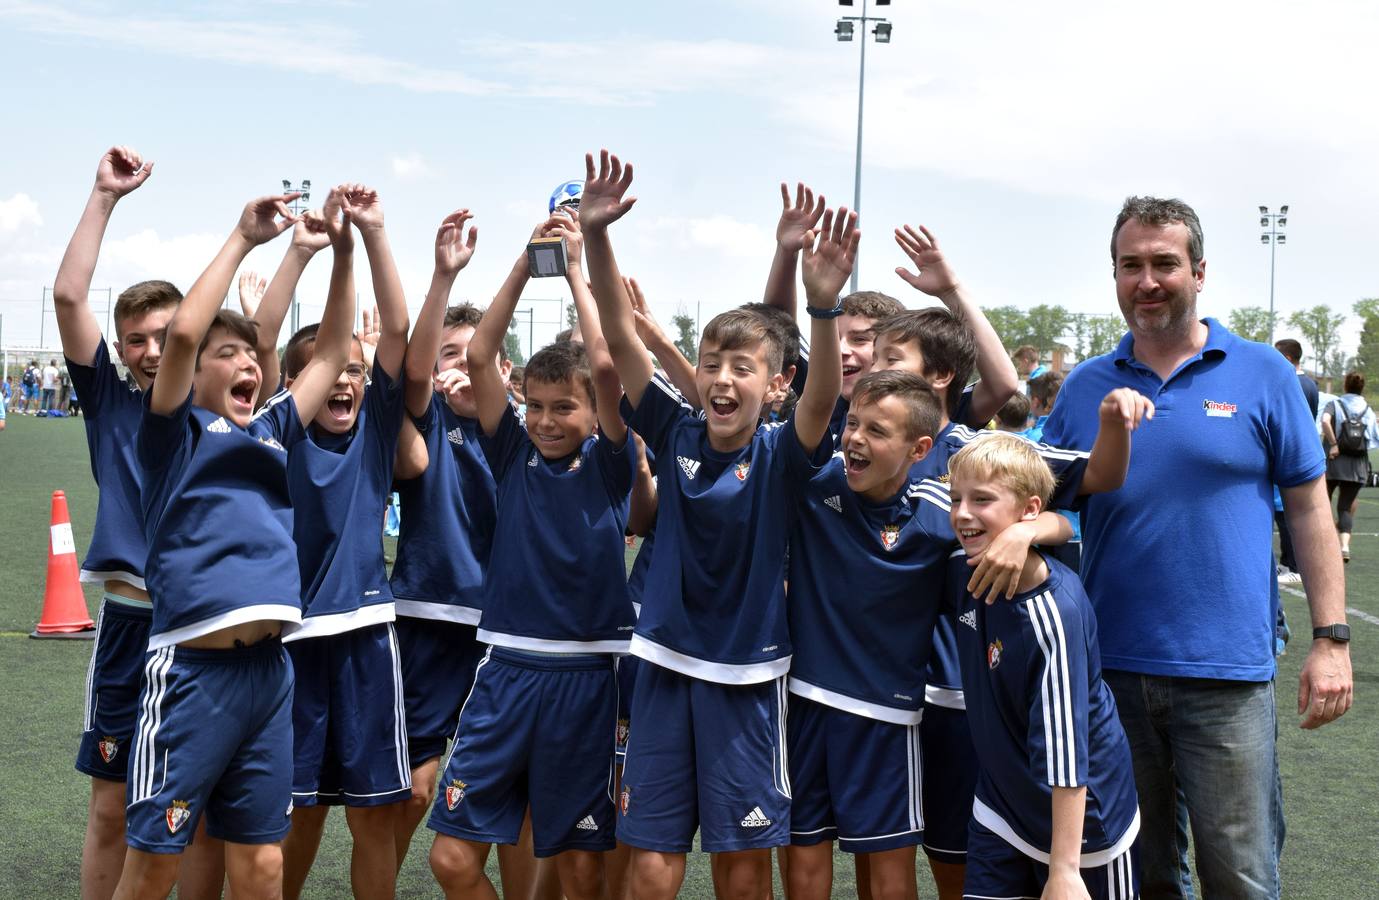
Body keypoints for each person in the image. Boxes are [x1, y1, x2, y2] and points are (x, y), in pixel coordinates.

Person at [1040, 195, 1352, 898]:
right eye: (1130, 266)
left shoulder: (1262, 372)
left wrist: (1330, 638)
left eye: (1163, 264)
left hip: (1226, 674)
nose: (1146, 281)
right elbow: (1046, 503)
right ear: (1113, 274)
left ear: (1199, 271)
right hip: (1107, 673)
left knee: (1239, 875)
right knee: (1139, 873)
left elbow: (1306, 507)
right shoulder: (1085, 385)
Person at [581, 148, 846, 900]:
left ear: (776, 383)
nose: (723, 379)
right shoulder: (674, 430)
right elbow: (619, 336)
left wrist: (820, 305)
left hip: (748, 678)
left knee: (740, 861)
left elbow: (824, 398)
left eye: (742, 367)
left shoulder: (782, 454)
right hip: (662, 665)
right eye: (711, 363)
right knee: (652, 855)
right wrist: (598, 236)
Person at [428, 211, 635, 900]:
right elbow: (481, 356)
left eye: (563, 409)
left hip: (586, 680)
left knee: (578, 871)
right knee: (452, 862)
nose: (547, 421)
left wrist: (574, 270)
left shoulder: (610, 465)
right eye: (536, 405)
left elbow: (604, 364)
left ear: (593, 415)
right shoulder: (511, 450)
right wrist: (525, 260)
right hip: (505, 671)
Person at [50, 146, 217, 900]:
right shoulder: (111, 405)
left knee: (204, 813)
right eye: (136, 340)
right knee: (112, 807)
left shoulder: (220, 412)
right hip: (128, 626)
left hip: (208, 631)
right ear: (120, 351)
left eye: (165, 335)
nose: (152, 351)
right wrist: (103, 195)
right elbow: (66, 295)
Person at [240, 185, 414, 900]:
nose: (342, 381)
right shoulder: (277, 435)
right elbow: (259, 346)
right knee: (297, 810)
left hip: (369, 636)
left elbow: (397, 334)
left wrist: (370, 236)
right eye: (327, 372)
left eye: (352, 371)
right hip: (291, 639)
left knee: (378, 816)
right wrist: (300, 253)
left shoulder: (376, 429)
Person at [947, 432, 1146, 900]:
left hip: (1084, 827)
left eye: (981, 500)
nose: (961, 513)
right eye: (956, 498)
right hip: (1003, 805)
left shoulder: (1054, 614)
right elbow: (1057, 523)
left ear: (1027, 510)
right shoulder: (964, 567)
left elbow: (1067, 753)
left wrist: (1065, 870)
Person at [1274, 339, 1320, 582]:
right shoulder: (1312, 384)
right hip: (1304, 449)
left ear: (1289, 358)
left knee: (1287, 512)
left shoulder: (1292, 381)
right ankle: (1290, 563)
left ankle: (1292, 565)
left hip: (1289, 452)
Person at [1321, 371, 1378, 564]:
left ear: (1345, 385)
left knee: (1323, 502)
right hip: (1357, 464)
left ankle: (1325, 544)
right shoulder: (1368, 409)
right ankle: (1344, 546)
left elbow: (1324, 421)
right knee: (1345, 507)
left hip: (1333, 460)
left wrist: (1334, 442)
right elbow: (1373, 438)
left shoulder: (1335, 404)